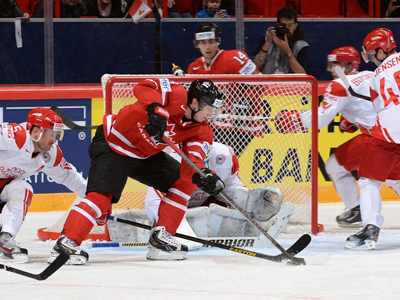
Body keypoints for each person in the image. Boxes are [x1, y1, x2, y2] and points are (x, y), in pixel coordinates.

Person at [48, 78, 226, 264]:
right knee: (101, 197)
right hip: (114, 143)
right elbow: (145, 86)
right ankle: (66, 243)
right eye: (210, 108)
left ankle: (161, 237)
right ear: (196, 102)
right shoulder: (177, 93)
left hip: (143, 156)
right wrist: (156, 108)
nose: (211, 113)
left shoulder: (201, 131)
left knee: (184, 181)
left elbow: (193, 162)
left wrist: (203, 175)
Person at [274, 46, 400, 229]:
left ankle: (357, 209)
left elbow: (322, 118)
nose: (330, 69)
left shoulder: (340, 83)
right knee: (393, 178)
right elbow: (369, 102)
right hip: (391, 133)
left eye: (335, 65)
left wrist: (295, 120)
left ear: (348, 65)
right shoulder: (370, 74)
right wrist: (350, 119)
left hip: (377, 138)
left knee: (336, 167)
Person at [0, 108, 86, 263]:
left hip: (3, 188)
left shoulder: (50, 154)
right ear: (35, 132)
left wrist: (94, 199)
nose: (54, 140)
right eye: (51, 134)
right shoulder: (13, 136)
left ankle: (5, 238)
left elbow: (69, 176)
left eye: (56, 135)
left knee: (23, 189)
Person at [344, 28, 400, 250]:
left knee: (369, 180)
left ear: (381, 50)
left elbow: (378, 108)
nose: (370, 59)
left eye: (370, 53)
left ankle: (370, 230)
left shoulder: (377, 76)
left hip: (390, 130)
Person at [187, 23, 262, 156]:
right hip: (213, 123)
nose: (208, 47)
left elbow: (260, 82)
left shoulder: (236, 58)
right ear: (197, 44)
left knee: (220, 160)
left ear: (218, 41)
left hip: (239, 125)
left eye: (211, 41)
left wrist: (247, 100)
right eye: (203, 42)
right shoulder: (194, 68)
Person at [252, 7, 310, 74]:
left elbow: (302, 74)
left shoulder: (301, 46)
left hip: (289, 83)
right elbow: (254, 67)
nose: (287, 29)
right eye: (283, 25)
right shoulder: (266, 39)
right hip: (266, 81)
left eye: (290, 25)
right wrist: (267, 43)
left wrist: (287, 51)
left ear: (295, 26)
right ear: (277, 25)